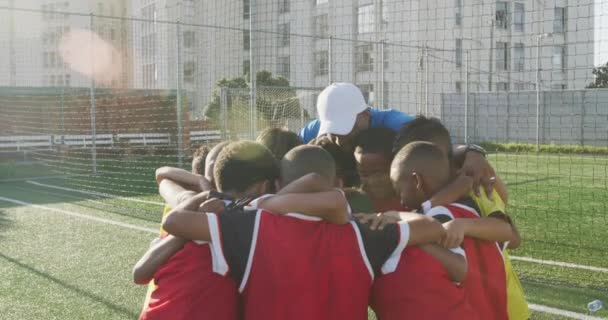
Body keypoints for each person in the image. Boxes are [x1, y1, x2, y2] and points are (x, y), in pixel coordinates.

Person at [162, 145, 446, 320]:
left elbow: (175, 222)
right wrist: (391, 216)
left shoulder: (251, 225)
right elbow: (433, 228)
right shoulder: (364, 233)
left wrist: (252, 203)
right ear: (338, 182)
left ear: (278, 183)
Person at [395, 115, 528, 319]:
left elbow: (511, 236)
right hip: (471, 306)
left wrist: (462, 225)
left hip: (506, 305)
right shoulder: (435, 197)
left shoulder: (477, 186)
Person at [300, 83, 414, 150]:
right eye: (334, 132)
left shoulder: (401, 126)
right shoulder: (314, 131)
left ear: (366, 114)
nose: (341, 141)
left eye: (347, 127)